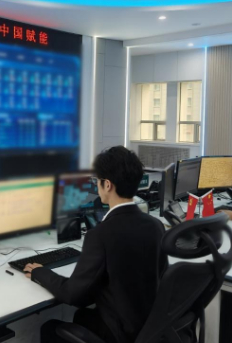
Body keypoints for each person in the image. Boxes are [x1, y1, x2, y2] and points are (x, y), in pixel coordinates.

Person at [24, 146, 168, 343]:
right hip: (148, 328)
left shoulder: (100, 234)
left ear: (107, 185)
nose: (96, 186)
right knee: (82, 316)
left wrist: (39, 272)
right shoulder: (156, 225)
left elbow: (72, 294)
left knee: (50, 328)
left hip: (120, 334)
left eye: (97, 181)